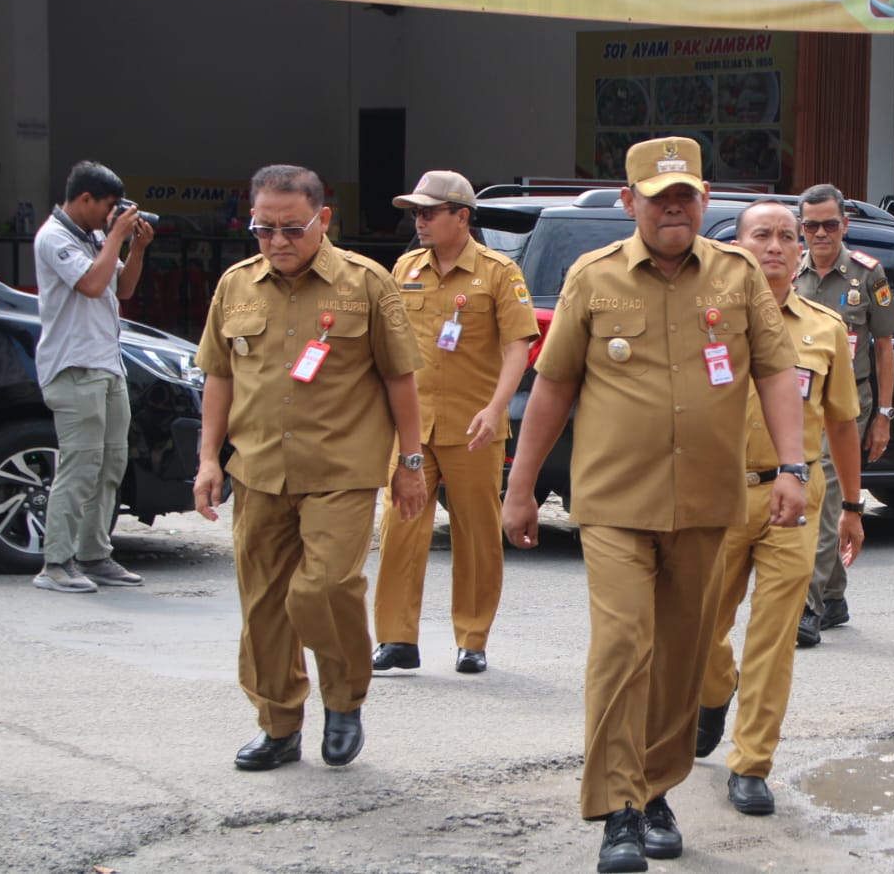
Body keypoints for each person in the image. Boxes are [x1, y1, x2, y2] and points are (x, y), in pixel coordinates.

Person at [499, 137, 805, 874]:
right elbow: (553, 386)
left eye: (685, 197)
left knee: (681, 653)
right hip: (613, 502)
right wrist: (518, 486)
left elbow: (774, 370)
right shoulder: (592, 277)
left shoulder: (735, 277)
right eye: (658, 197)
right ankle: (618, 808)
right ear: (629, 202)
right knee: (622, 645)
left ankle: (656, 786)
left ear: (701, 201)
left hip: (706, 500)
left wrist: (792, 465)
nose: (673, 209)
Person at [193, 165, 426, 772]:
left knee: (324, 588)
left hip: (341, 470)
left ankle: (345, 698)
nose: (276, 241)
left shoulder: (366, 283)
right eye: (262, 228)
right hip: (259, 470)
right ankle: (278, 723)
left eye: (291, 228)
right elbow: (219, 376)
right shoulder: (236, 286)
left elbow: (401, 378)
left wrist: (410, 461)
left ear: (323, 220)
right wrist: (207, 460)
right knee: (264, 604)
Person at [695, 200, 863, 816]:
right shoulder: (705, 319)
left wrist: (852, 504)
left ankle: (752, 762)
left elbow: (843, 423)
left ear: (801, 252)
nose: (775, 246)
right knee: (702, 628)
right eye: (760, 235)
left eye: (787, 237)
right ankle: (714, 693)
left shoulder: (822, 328)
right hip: (715, 497)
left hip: (793, 497)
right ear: (735, 246)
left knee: (774, 637)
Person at [372, 171, 538, 675]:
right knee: (400, 529)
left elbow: (519, 344)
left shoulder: (498, 272)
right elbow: (386, 344)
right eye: (416, 213)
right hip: (413, 427)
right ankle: (397, 639)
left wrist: (497, 407)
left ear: (461, 217)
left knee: (476, 532)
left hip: (474, 426)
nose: (419, 221)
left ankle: (472, 637)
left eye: (428, 212)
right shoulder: (404, 268)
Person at [29, 161, 153, 593]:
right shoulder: (54, 237)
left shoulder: (96, 236)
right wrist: (116, 237)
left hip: (106, 365)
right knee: (80, 466)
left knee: (111, 464)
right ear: (84, 199)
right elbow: (91, 284)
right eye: (108, 207)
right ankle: (56, 562)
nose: (111, 215)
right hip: (73, 368)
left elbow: (123, 289)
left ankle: (95, 555)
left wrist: (134, 249)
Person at [792, 184, 894, 647]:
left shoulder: (867, 276)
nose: (821, 233)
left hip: (847, 407)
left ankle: (809, 605)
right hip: (797, 404)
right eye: (812, 225)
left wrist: (884, 414)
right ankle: (834, 597)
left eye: (830, 224)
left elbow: (884, 348)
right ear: (802, 227)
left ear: (845, 225)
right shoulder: (788, 273)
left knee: (824, 500)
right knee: (823, 498)